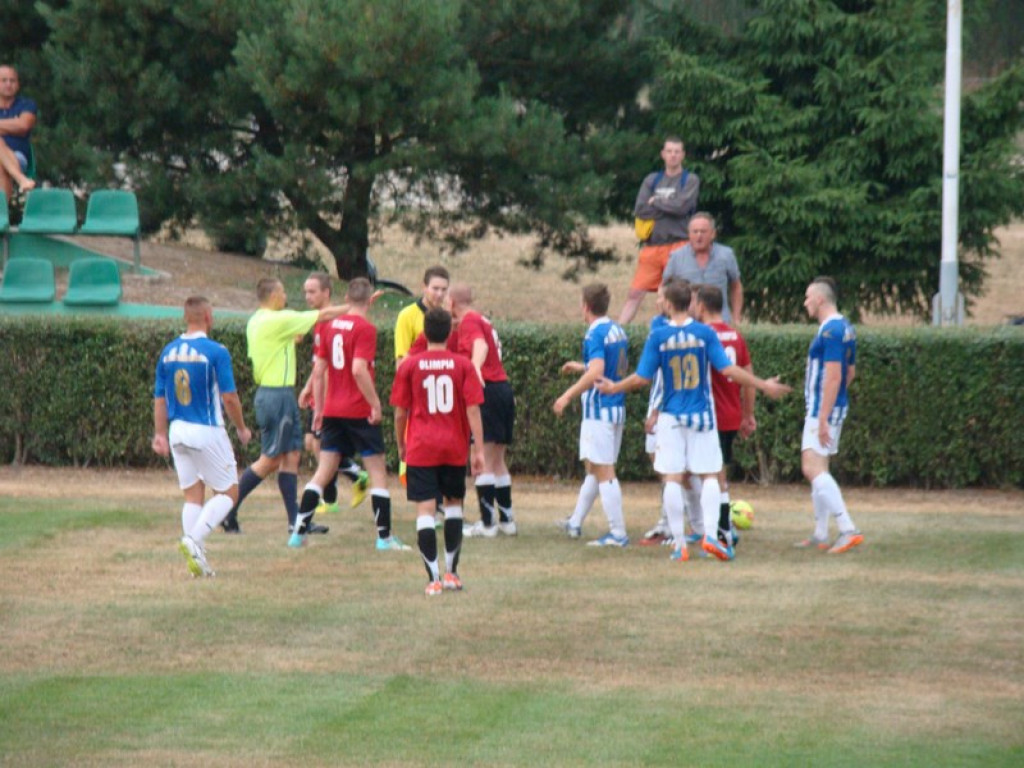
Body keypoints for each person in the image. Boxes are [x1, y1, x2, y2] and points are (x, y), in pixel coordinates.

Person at [597, 280, 790, 562]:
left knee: (672, 477)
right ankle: (710, 536)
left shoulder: (659, 336)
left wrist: (614, 387)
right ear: (690, 303)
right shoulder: (704, 333)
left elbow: (642, 378)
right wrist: (762, 385)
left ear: (668, 303)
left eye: (662, 298)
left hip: (672, 418)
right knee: (710, 474)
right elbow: (728, 369)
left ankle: (679, 545)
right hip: (702, 417)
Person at [221, 276, 350, 535]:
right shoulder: (276, 319)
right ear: (272, 295)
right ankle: (227, 510)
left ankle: (296, 522)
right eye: (282, 292)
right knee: (269, 460)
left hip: (279, 394)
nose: (286, 297)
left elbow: (298, 336)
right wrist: (356, 306)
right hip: (276, 395)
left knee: (291, 456)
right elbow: (322, 315)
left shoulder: (259, 320)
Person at [290, 278, 407, 549]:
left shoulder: (330, 327)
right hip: (358, 411)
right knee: (377, 473)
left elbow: (319, 371)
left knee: (322, 472)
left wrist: (318, 409)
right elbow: (358, 369)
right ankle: (384, 538)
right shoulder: (366, 328)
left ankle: (298, 534)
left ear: (345, 297)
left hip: (332, 409)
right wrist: (375, 403)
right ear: (369, 301)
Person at [152, 296, 252, 577]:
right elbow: (229, 397)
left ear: (186, 317)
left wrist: (160, 434)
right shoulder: (216, 351)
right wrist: (242, 427)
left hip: (177, 431)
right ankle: (193, 540)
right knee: (230, 492)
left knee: (192, 495)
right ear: (208, 316)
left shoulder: (168, 351)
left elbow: (160, 397)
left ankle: (196, 559)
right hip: (206, 430)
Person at [391, 307, 485, 596]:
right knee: (454, 505)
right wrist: (478, 449)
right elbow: (473, 409)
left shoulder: (409, 365)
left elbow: (399, 412)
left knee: (425, 511)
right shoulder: (463, 365)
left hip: (421, 446)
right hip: (453, 446)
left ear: (423, 333)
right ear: (450, 333)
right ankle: (452, 574)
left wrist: (401, 444)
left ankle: (432, 579)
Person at [553, 283, 631, 547]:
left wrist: (568, 395)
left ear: (585, 305)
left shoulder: (593, 334)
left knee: (604, 470)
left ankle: (618, 533)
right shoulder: (616, 329)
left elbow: (597, 369)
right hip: (616, 407)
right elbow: (606, 366)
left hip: (599, 410)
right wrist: (580, 366)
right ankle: (575, 521)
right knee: (595, 468)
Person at [795, 276, 863, 554]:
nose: (806, 303)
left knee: (811, 468)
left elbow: (835, 376)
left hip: (821, 409)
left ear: (820, 299)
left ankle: (847, 529)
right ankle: (821, 532)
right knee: (820, 468)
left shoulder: (830, 331)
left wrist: (823, 415)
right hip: (830, 407)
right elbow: (851, 372)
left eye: (808, 297)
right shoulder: (844, 327)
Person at [447, 283, 517, 538]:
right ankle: (507, 522)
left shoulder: (470, 321)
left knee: (483, 460)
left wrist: (474, 368)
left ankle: (488, 524)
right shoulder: (478, 320)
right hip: (502, 390)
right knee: (497, 461)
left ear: (452, 302)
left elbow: (480, 346)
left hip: (486, 391)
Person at [298, 272, 370, 514]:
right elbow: (320, 363)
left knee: (322, 446)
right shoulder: (322, 321)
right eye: (306, 291)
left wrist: (317, 394)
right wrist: (309, 387)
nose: (308, 296)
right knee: (312, 443)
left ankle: (331, 499)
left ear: (326, 293)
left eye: (312, 291)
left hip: (330, 396)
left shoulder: (331, 322)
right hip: (320, 392)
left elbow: (327, 366)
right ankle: (353, 476)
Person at [693, 283, 756, 548]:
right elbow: (748, 378)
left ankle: (722, 530)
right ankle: (720, 526)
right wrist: (748, 415)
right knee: (717, 473)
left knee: (710, 476)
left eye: (695, 303)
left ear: (703, 306)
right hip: (731, 414)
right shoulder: (736, 336)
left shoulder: (701, 336)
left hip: (710, 415)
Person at [619, 136, 699, 325]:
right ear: (663, 154)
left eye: (677, 152)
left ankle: (688, 328)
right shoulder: (652, 180)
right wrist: (670, 206)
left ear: (683, 155)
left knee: (683, 293)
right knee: (635, 292)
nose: (673, 155)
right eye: (669, 151)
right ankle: (618, 331)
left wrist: (657, 203)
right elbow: (641, 210)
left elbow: (683, 207)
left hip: (680, 245)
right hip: (652, 247)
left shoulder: (690, 180)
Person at [394, 265, 451, 489]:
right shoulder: (407, 315)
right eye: (435, 288)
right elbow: (402, 362)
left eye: (443, 289)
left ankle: (440, 501)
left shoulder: (448, 316)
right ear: (424, 287)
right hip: (420, 393)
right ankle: (428, 500)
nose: (439, 294)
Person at [662, 212, 744, 324]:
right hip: (688, 323)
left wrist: (736, 317)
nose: (699, 236)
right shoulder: (676, 257)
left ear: (713, 234)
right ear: (689, 234)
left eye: (703, 231)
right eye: (695, 232)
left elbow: (736, 287)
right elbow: (664, 288)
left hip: (719, 322)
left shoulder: (726, 255)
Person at [0, 65, 37, 200]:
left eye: (12, 80)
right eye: (3, 80)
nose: (8, 84)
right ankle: (21, 179)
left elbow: (23, 126)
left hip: (18, 157)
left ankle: (1, 215)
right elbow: (17, 125)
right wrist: (12, 124)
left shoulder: (26, 105)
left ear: (18, 84)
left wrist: (17, 124)